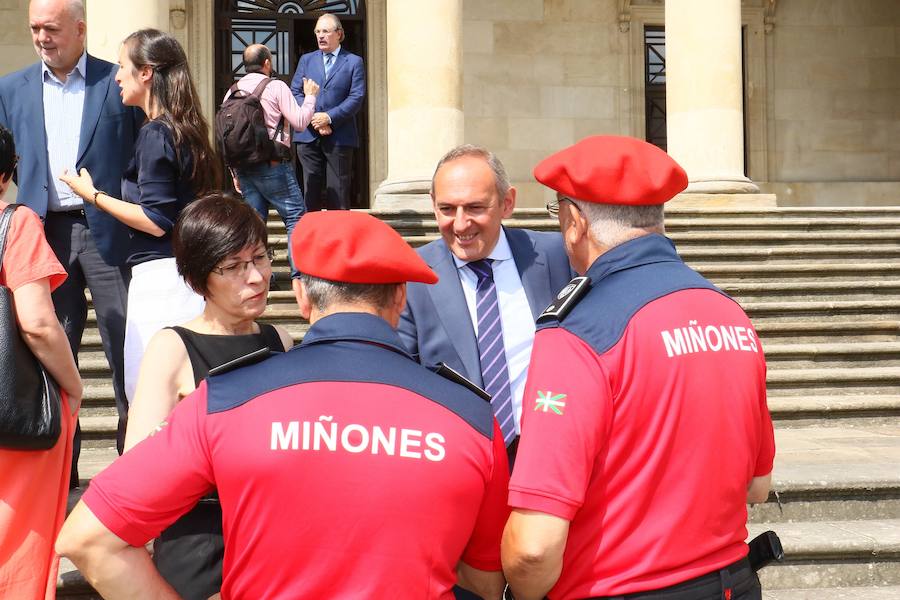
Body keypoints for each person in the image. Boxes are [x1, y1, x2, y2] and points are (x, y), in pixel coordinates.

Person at [56, 211, 510, 599]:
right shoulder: (470, 416)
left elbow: (89, 538)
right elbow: (486, 576)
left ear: (302, 297)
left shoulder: (226, 399)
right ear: (400, 296)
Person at [501, 136, 775, 600]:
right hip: (730, 583)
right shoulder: (727, 311)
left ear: (574, 222)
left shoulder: (577, 331)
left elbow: (533, 547)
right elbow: (757, 485)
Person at [122, 193, 292, 600]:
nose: (256, 277)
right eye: (233, 267)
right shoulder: (173, 348)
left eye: (261, 258)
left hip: (270, 543)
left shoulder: (280, 340)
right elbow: (136, 469)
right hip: (199, 542)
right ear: (198, 279)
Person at [0, 0, 142, 485]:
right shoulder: (11, 88)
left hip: (107, 232)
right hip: (42, 235)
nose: (42, 37)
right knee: (50, 352)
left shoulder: (116, 81)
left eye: (51, 28)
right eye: (35, 28)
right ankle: (62, 474)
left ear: (81, 29)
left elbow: (142, 155)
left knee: (127, 348)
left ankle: (134, 474)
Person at [61, 28, 223, 405]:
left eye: (122, 67)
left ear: (146, 72)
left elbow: (155, 219)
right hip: (183, 274)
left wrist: (93, 196)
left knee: (152, 394)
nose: (116, 76)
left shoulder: (156, 134)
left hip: (162, 278)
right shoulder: (187, 128)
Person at [397, 144, 571, 464]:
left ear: (507, 203)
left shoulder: (557, 256)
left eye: (475, 207)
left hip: (547, 458)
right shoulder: (412, 275)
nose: (461, 224)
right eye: (447, 209)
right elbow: (401, 380)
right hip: (455, 463)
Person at [0, 125, 83, 599]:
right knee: (17, 539)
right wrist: (72, 386)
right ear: (9, 172)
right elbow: (38, 323)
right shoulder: (16, 222)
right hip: (13, 410)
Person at [226, 43, 319, 279]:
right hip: (273, 164)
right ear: (267, 63)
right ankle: (300, 277)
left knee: (254, 227)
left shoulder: (232, 91)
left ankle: (255, 279)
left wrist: (234, 172)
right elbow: (299, 121)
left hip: (244, 169)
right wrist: (310, 98)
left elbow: (228, 134)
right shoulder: (275, 85)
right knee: (295, 218)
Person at [290, 12, 365, 211]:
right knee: (310, 189)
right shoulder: (306, 60)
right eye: (317, 31)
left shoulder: (353, 62)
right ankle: (311, 237)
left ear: (339, 34)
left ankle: (338, 239)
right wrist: (315, 118)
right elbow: (295, 91)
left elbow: (356, 97)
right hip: (308, 134)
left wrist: (329, 118)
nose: (320, 36)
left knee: (338, 191)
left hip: (340, 135)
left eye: (326, 31)